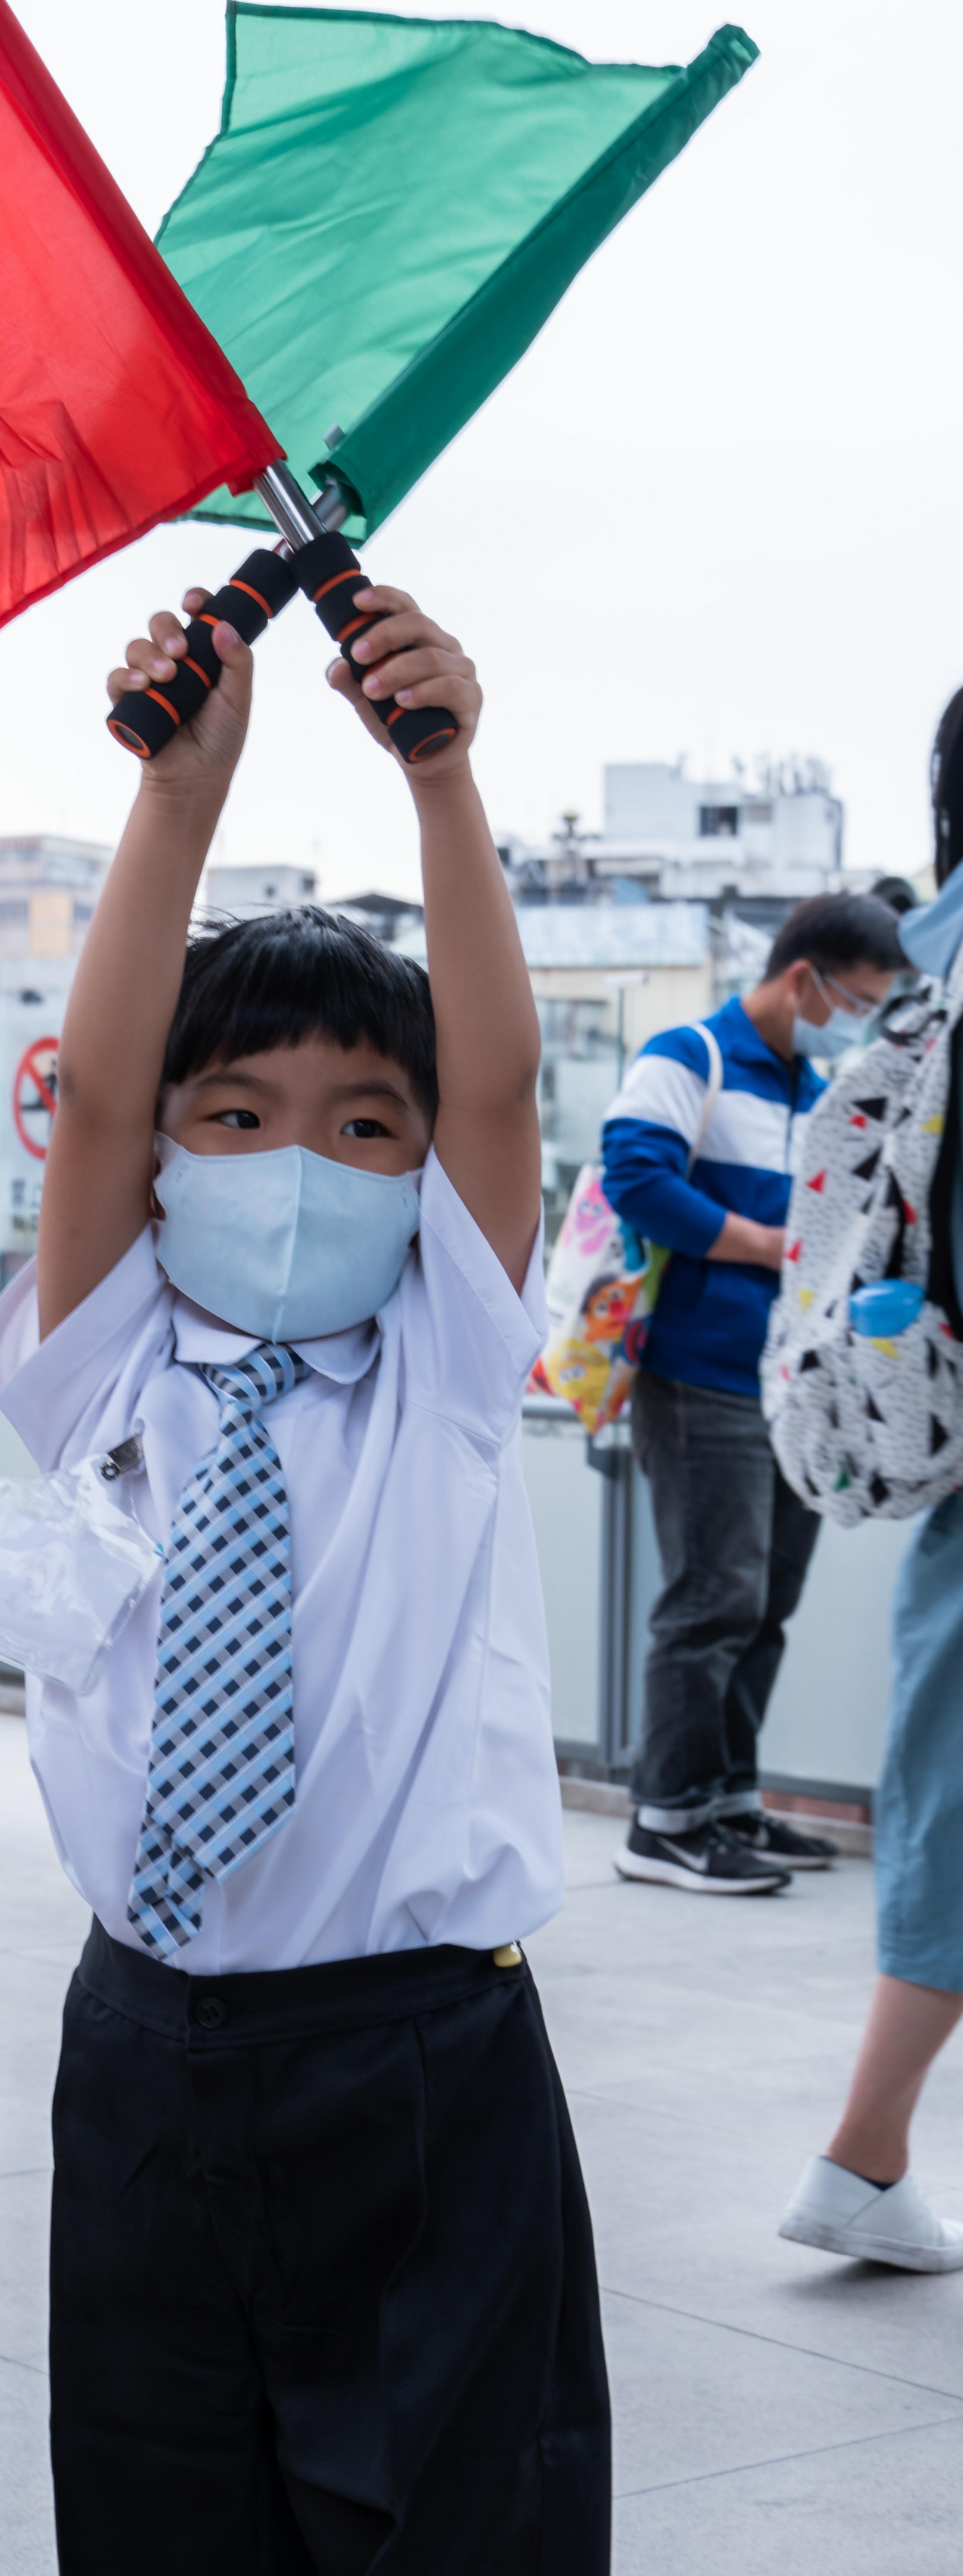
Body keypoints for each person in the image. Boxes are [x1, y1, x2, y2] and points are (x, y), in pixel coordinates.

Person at [0, 581, 610, 2570]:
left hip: (420, 2062)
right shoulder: (100, 1359)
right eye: (237, 1117)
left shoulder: (442, 1364)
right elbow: (97, 1089)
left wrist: (445, 778)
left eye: (364, 1127)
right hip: (147, 2055)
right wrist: (179, 793)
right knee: (161, 2515)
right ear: (167, 1151)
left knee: (457, 2528)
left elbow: (499, 1088)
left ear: (422, 1177)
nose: (299, 1164)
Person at [601, 893, 906, 1895]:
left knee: (766, 1603)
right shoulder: (690, 1055)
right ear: (803, 978)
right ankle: (665, 1822)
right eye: (856, 1000)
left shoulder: (819, 1088)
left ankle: (728, 1801)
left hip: (793, 1388)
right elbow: (635, 1178)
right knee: (711, 1599)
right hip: (699, 1373)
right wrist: (766, 1246)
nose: (858, 1019)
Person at [779, 690, 963, 2271]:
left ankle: (866, 2152)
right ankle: (859, 2154)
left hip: (943, 1448)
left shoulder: (927, 983)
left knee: (950, 1797)